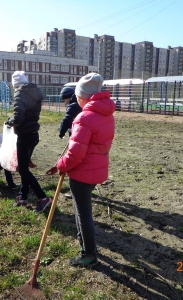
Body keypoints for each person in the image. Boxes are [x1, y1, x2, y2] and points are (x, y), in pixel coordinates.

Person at [57, 73, 116, 268]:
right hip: (95, 172)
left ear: (83, 97)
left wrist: (61, 165)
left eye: (77, 97)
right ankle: (83, 241)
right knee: (84, 210)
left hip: (82, 173)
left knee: (83, 213)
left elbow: (75, 155)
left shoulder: (84, 117)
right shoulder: (106, 114)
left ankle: (88, 255)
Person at [5, 71, 51, 212]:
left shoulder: (20, 94)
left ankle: (43, 198)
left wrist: (9, 122)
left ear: (15, 85)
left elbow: (18, 119)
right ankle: (23, 197)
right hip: (33, 135)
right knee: (24, 167)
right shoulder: (35, 92)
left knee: (23, 169)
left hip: (24, 137)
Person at [58, 86, 82, 199]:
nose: (64, 102)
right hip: (82, 136)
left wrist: (61, 132)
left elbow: (67, 120)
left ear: (67, 97)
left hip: (77, 136)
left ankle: (76, 191)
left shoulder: (73, 106)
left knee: (74, 163)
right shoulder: (80, 103)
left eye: (64, 100)